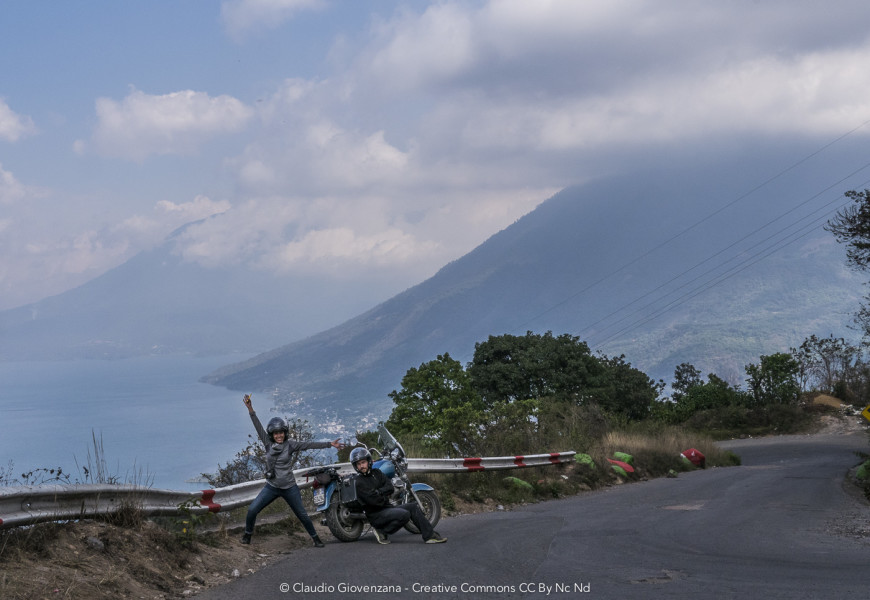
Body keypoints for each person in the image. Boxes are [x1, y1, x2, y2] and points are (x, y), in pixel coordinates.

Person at [241, 393, 343, 547]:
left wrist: (329, 444)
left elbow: (308, 444)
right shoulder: (267, 444)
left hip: (289, 487)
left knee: (302, 514)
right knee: (252, 510)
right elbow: (257, 425)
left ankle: (316, 539)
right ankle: (247, 535)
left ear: (285, 432)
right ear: (272, 434)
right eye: (276, 433)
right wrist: (250, 409)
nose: (279, 435)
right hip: (272, 487)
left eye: (281, 432)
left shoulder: (291, 445)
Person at [350, 447, 447, 545]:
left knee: (412, 506)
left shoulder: (377, 473)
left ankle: (429, 536)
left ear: (369, 461)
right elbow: (375, 502)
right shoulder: (359, 482)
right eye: (358, 464)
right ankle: (382, 531)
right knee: (404, 514)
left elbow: (390, 487)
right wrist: (383, 495)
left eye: (363, 462)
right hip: (376, 515)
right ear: (355, 466)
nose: (361, 466)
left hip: (387, 508)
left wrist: (378, 492)